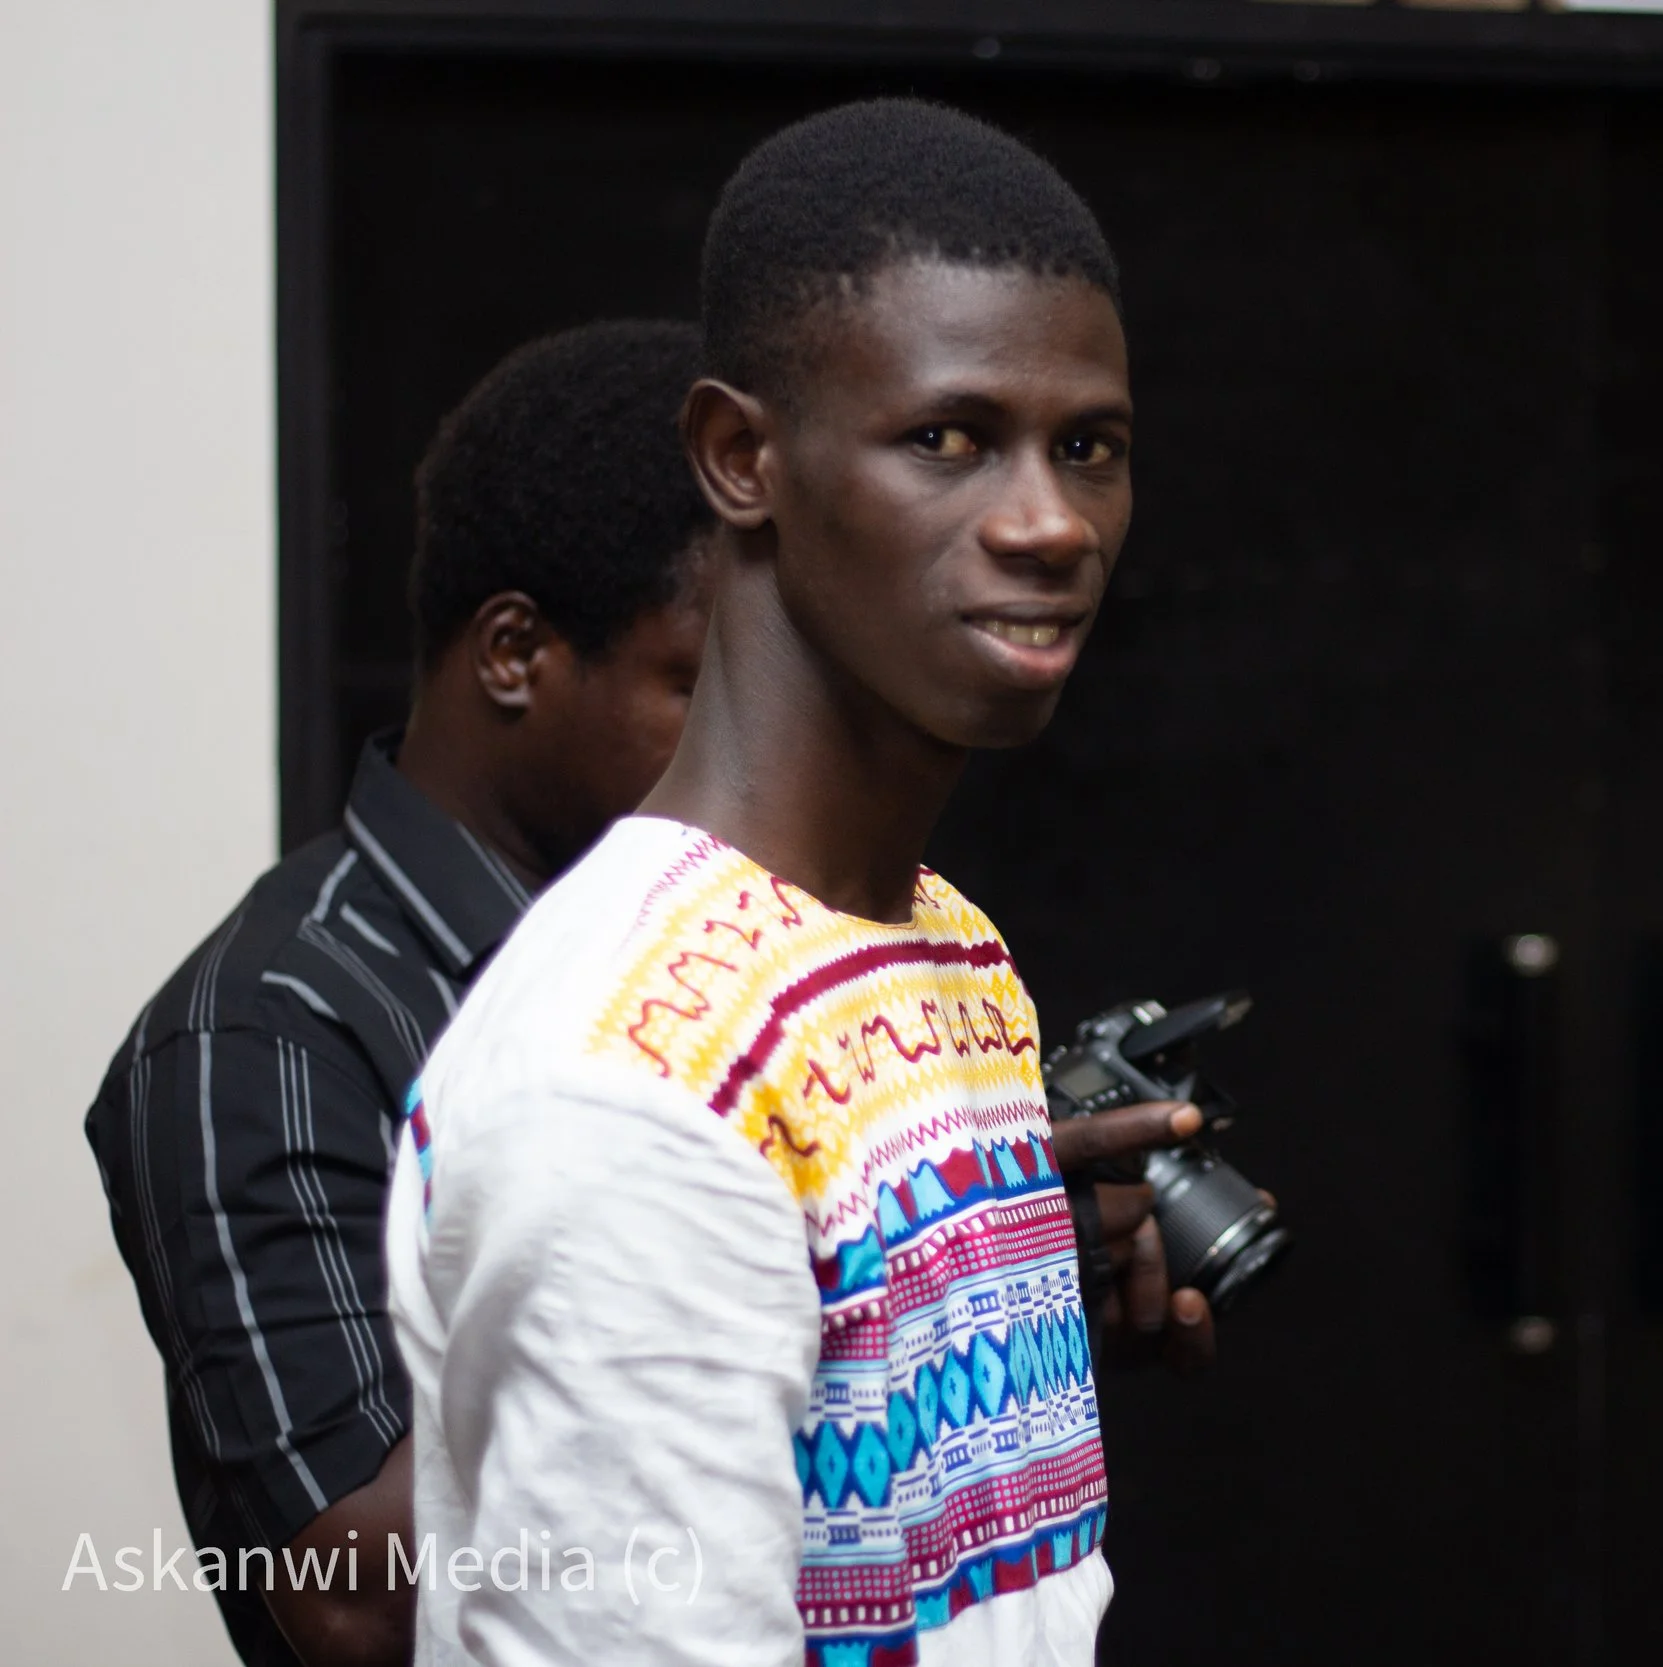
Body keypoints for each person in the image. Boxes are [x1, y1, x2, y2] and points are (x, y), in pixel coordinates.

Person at [385, 100, 1157, 1666]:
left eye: (1089, 448)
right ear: (744, 459)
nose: (1049, 522)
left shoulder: (940, 942)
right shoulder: (631, 1078)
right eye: (949, 438)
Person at [83, 319, 721, 1667]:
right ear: (514, 655)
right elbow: (351, 1597)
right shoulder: (263, 1031)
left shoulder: (710, 965)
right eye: (702, 688)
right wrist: (829, 1288)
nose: (754, 752)